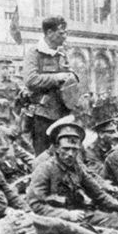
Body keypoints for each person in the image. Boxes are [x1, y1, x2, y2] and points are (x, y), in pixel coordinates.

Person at [24, 16, 77, 155]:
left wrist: (71, 77)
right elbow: (30, 80)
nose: (65, 37)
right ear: (49, 33)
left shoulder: (62, 53)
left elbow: (70, 76)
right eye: (61, 33)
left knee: (64, 153)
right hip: (43, 115)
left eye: (65, 33)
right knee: (44, 155)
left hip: (63, 112)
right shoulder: (34, 53)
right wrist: (57, 78)